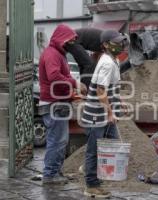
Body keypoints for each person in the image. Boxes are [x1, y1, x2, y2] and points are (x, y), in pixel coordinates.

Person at [38, 24, 87, 185]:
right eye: (70, 40)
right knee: (57, 141)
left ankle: (55, 173)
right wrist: (75, 83)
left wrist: (72, 96)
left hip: (57, 102)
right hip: (53, 104)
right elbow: (54, 77)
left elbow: (59, 82)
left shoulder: (59, 54)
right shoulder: (52, 54)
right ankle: (50, 175)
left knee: (60, 141)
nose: (71, 44)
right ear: (61, 39)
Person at [81, 30, 127, 198]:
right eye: (116, 42)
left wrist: (119, 102)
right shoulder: (107, 62)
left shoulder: (114, 59)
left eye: (121, 41)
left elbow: (110, 87)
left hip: (104, 113)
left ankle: (88, 170)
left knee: (111, 143)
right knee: (94, 150)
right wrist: (109, 113)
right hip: (97, 115)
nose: (120, 45)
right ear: (106, 45)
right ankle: (91, 185)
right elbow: (100, 90)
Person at [64, 28, 130, 88]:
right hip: (72, 40)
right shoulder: (108, 40)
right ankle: (86, 90)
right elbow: (96, 61)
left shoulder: (107, 41)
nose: (122, 48)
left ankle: (83, 87)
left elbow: (95, 58)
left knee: (86, 66)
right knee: (89, 65)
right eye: (122, 46)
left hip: (73, 39)